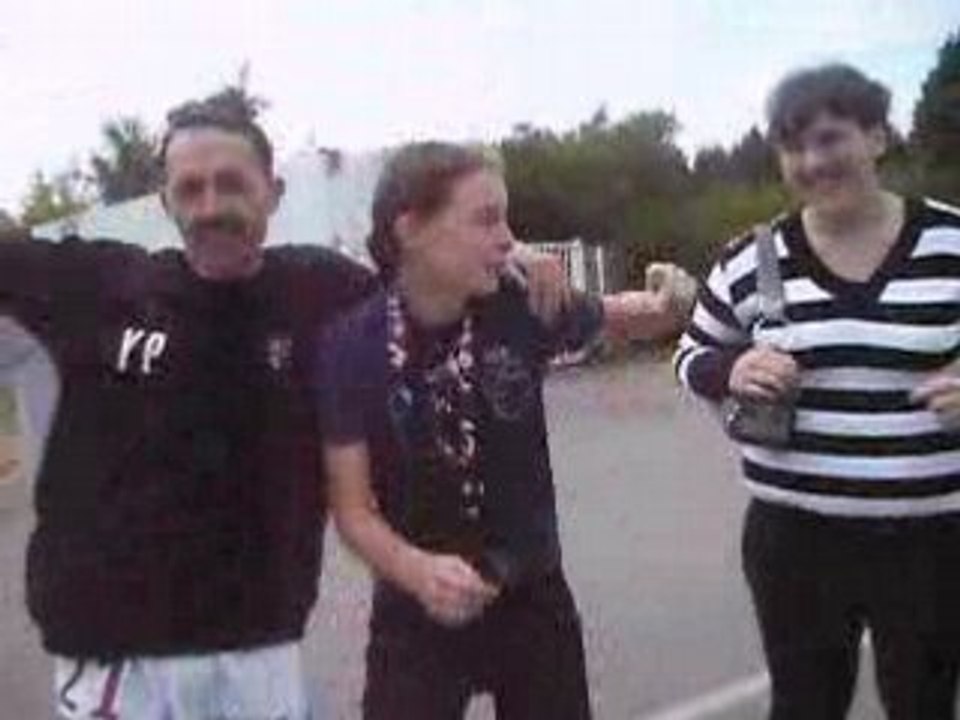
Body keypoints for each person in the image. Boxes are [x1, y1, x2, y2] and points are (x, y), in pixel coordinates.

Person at [0, 96, 572, 718]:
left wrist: (505, 251)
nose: (210, 207)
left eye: (231, 184)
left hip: (261, 652)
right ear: (165, 202)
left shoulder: (320, 291)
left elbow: (429, 270)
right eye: (189, 189)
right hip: (119, 661)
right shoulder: (96, 285)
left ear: (272, 193)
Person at [321, 141, 694, 719]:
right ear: (411, 230)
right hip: (415, 611)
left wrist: (671, 303)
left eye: (507, 221)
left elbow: (617, 316)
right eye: (486, 219)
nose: (507, 239)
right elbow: (352, 512)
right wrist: (416, 571)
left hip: (532, 601)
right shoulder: (351, 345)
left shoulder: (519, 305)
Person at [675, 63, 960, 719]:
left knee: (924, 706)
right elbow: (690, 354)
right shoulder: (751, 259)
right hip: (795, 542)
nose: (812, 161)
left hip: (933, 541)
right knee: (804, 706)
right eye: (792, 146)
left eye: (831, 139)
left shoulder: (951, 242)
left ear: (878, 137)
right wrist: (730, 370)